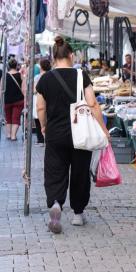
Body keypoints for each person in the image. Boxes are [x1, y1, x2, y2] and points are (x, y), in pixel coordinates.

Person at [36, 36, 110, 234]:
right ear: (70, 55)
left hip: (55, 134)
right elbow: (93, 104)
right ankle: (78, 213)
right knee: (80, 173)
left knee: (55, 172)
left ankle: (56, 204)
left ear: (53, 57)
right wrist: (104, 130)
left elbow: (40, 108)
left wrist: (43, 127)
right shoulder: (81, 75)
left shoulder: (45, 79)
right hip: (81, 134)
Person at [3, 58, 24, 141]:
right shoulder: (20, 75)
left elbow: (1, 88)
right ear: (16, 66)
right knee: (16, 118)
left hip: (7, 100)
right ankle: (13, 136)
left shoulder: (5, 76)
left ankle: (8, 134)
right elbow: (24, 88)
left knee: (8, 118)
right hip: (18, 100)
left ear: (8, 66)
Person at [33, 59, 52, 146]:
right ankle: (47, 139)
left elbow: (34, 90)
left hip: (39, 100)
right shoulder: (52, 76)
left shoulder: (37, 77)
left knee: (38, 119)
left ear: (41, 67)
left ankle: (41, 140)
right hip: (50, 100)